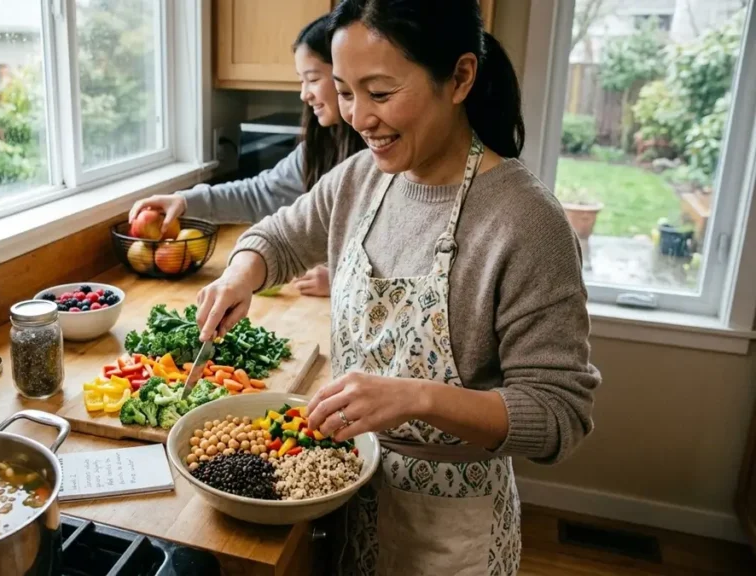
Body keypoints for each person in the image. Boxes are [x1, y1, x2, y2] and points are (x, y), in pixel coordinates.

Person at [194, 1, 600, 574]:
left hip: (451, 532)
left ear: (459, 78)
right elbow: (282, 235)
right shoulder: (361, 179)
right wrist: (242, 271)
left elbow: (560, 412)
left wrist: (415, 397)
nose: (359, 117)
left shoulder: (526, 222)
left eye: (380, 93)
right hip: (345, 494)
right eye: (345, 91)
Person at [128, 14, 365, 297]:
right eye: (301, 81)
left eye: (312, 79)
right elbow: (260, 195)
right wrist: (184, 201)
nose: (304, 94)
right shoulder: (319, 148)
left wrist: (342, 278)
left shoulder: (384, 155)